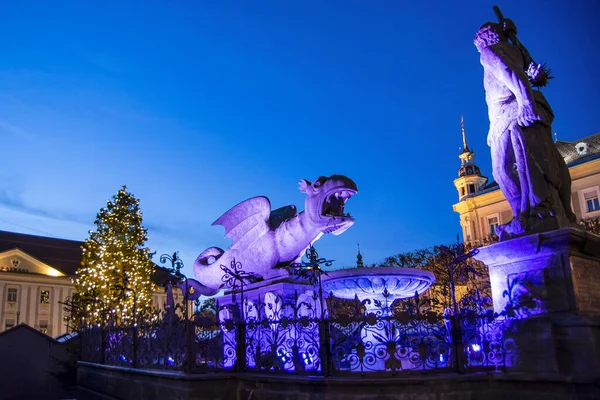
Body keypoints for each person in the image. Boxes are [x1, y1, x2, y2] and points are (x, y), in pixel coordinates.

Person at [474, 20, 576, 239]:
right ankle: (547, 211)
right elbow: (537, 76)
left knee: (502, 170)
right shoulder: (516, 50)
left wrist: (525, 104)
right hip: (525, 107)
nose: (477, 47)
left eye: (478, 42)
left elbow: (510, 73)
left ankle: (525, 214)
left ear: (483, 40)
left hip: (510, 112)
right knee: (543, 160)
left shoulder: (489, 53)